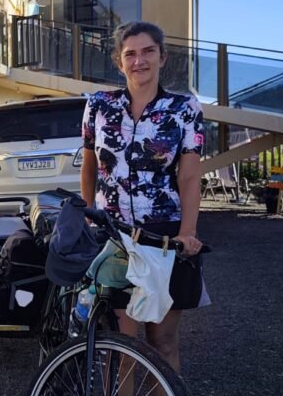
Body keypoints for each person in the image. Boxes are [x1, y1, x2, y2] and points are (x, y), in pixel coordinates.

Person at [79, 21, 208, 373]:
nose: (140, 61)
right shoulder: (98, 106)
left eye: (148, 51)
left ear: (162, 57)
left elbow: (189, 175)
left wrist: (188, 231)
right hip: (115, 236)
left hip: (162, 236)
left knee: (162, 342)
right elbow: (89, 167)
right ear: (119, 62)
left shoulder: (185, 110)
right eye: (130, 54)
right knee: (120, 344)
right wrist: (90, 212)